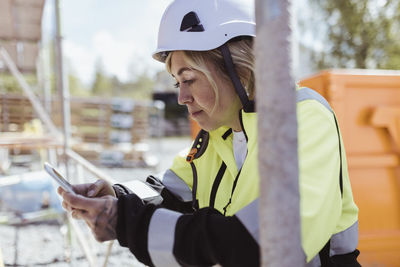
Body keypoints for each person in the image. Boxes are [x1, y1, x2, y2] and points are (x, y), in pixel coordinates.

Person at [59, 0, 361, 266]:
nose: (182, 98)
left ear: (239, 69)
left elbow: (264, 245)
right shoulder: (217, 137)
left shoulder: (302, 120)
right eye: (178, 83)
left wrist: (124, 221)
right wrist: (117, 197)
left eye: (189, 79)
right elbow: (166, 194)